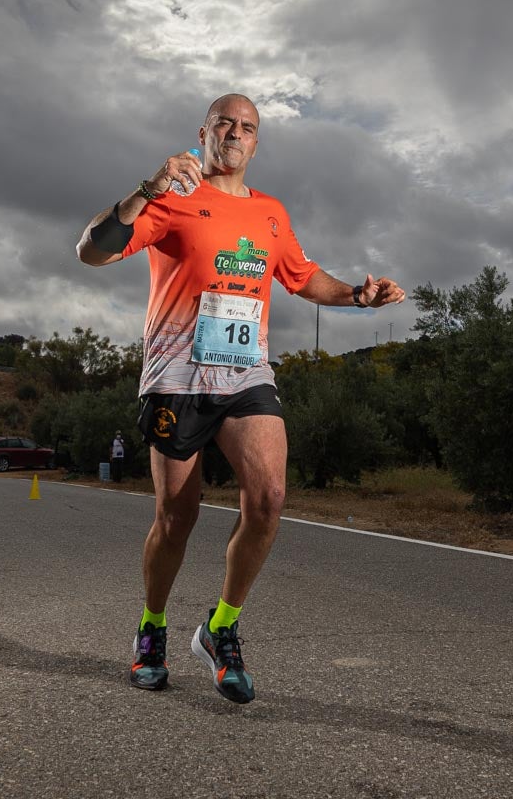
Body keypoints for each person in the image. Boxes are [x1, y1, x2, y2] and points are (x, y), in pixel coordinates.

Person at [76, 93, 407, 703]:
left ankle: (220, 629)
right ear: (203, 132)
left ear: (256, 142)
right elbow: (91, 250)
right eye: (224, 122)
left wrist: (358, 297)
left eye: (247, 127)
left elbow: (304, 276)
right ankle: (151, 630)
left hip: (246, 374)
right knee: (177, 519)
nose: (234, 132)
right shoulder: (170, 199)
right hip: (177, 377)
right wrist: (146, 187)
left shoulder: (271, 214)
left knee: (271, 498)